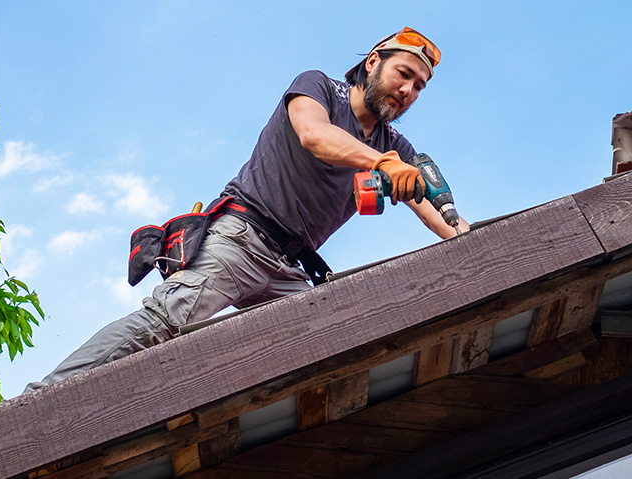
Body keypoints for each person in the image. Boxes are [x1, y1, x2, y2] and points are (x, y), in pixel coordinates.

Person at [25, 28, 468, 392]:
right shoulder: (319, 88)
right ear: (373, 62)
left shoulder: (395, 146)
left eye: (419, 86)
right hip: (241, 238)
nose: (408, 90)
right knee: (167, 320)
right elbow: (314, 136)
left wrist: (467, 238)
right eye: (404, 74)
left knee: (333, 347)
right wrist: (382, 163)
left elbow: (440, 213)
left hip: (289, 268)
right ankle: (43, 398)